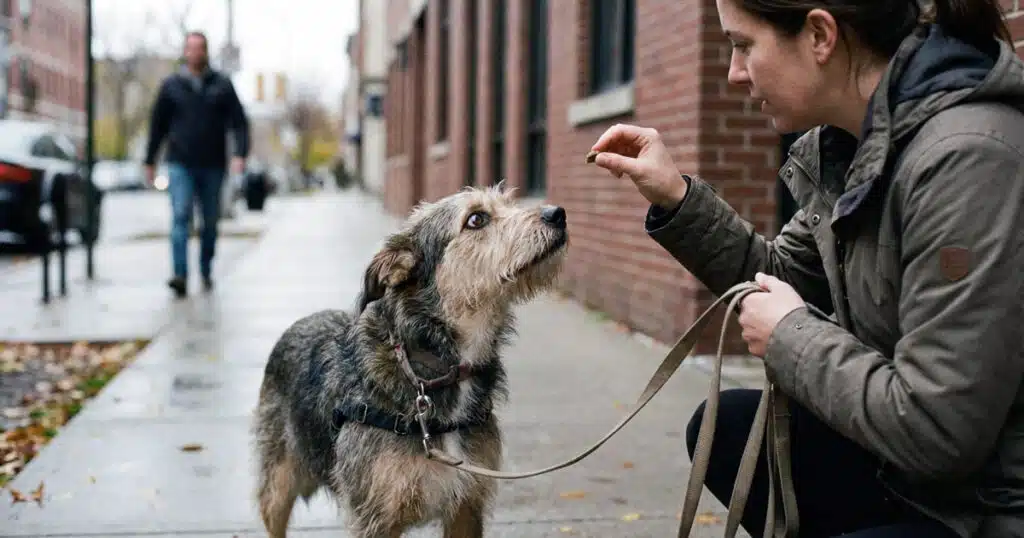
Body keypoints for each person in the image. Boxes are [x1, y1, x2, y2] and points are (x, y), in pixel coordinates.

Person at [590, 0, 1023, 536]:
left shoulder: (967, 158)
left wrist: (789, 337)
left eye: (744, 44)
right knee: (725, 428)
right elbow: (778, 276)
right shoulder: (852, 143)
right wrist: (676, 197)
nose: (735, 71)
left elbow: (940, 430)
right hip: (910, 476)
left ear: (819, 35)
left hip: (981, 509)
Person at [144, 30, 250, 298]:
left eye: (199, 48)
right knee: (180, 216)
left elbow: (239, 122)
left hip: (213, 164)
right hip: (180, 163)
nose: (195, 53)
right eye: (190, 48)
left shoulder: (222, 85)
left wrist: (240, 153)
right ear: (185, 51)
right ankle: (180, 274)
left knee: (210, 221)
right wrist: (150, 161)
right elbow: (157, 126)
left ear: (206, 51)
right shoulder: (171, 86)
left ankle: (205, 267)